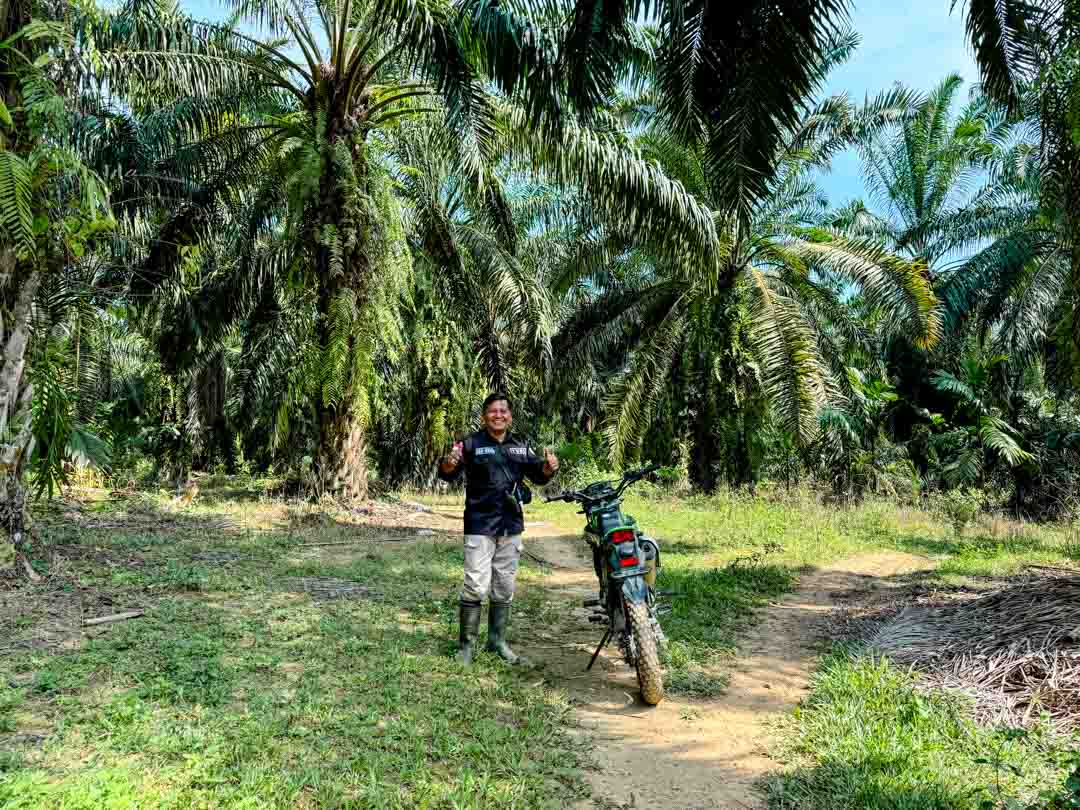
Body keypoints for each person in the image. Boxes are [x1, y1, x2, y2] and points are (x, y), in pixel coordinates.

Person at [438, 394, 559, 666]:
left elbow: (538, 475)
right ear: (484, 416)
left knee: (504, 586)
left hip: (510, 525)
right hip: (480, 524)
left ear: (510, 416)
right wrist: (450, 461)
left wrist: (549, 468)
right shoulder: (471, 444)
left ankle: (497, 642)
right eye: (493, 411)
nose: (498, 415)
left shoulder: (520, 447)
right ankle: (466, 647)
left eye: (503, 411)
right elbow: (447, 473)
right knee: (475, 585)